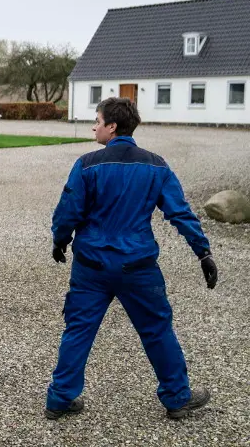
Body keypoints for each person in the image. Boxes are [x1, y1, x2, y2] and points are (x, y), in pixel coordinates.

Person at [45, 97, 218, 420]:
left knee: (78, 330)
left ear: (112, 126)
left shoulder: (87, 164)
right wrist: (203, 251)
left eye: (97, 121)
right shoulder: (156, 165)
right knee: (157, 330)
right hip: (138, 265)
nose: (94, 127)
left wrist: (60, 240)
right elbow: (180, 212)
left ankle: (59, 398)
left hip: (92, 266)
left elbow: (68, 210)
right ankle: (177, 397)